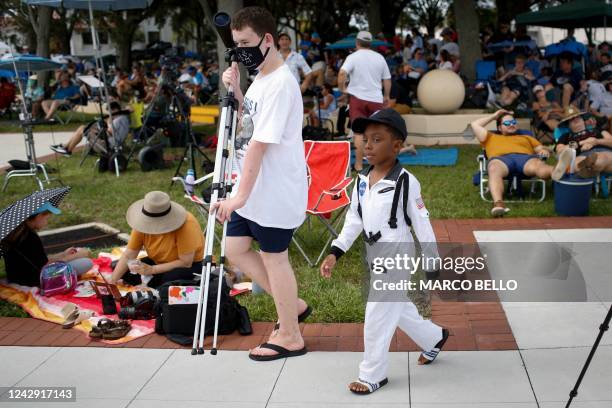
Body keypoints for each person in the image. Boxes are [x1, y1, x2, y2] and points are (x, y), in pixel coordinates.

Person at [320, 109, 448, 395]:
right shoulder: (362, 181)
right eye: (366, 139)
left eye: (377, 140)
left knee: (377, 311)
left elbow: (422, 224)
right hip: (374, 255)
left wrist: (432, 262)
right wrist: (335, 252)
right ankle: (434, 338)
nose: (368, 146)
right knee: (396, 306)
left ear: (397, 146)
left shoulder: (406, 182)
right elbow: (354, 220)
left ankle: (372, 374)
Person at [213, 6, 309, 361]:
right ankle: (292, 306)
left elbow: (257, 146)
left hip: (273, 191)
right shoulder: (261, 79)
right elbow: (250, 121)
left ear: (267, 40)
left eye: (246, 42)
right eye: (236, 43)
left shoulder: (281, 84)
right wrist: (238, 91)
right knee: (235, 250)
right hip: (254, 189)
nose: (239, 50)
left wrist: (238, 196)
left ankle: (290, 335)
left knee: (274, 258)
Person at [470, 109, 561, 217]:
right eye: (507, 123)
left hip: (525, 159)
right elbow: (474, 124)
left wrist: (543, 151)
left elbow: (540, 148)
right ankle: (498, 204)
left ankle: (557, 171)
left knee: (538, 165)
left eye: (513, 122)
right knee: (493, 168)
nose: (511, 125)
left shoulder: (527, 137)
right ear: (499, 127)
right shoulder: (490, 137)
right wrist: (494, 116)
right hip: (501, 160)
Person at [109, 191, 204, 289]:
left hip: (190, 265)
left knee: (169, 280)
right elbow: (129, 255)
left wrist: (152, 270)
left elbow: (186, 262)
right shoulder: (141, 223)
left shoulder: (186, 224)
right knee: (118, 267)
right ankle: (155, 284)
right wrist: (112, 281)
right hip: (157, 261)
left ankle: (158, 286)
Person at [1, 202, 93, 287]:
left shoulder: (16, 234)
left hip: (15, 278)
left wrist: (63, 254)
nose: (47, 222)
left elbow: (38, 260)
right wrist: (76, 256)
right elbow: (45, 266)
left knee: (79, 259)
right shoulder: (30, 238)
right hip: (37, 279)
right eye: (47, 218)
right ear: (39, 216)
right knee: (86, 262)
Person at [338, 31, 391, 171]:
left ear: (357, 42)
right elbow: (387, 79)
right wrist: (387, 96)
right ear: (370, 43)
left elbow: (342, 73)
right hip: (375, 99)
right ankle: (378, 164)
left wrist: (342, 88)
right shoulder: (379, 57)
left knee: (359, 133)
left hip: (357, 99)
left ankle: (359, 164)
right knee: (378, 133)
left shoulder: (352, 57)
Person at [552, 106, 612, 180]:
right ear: (568, 125)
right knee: (577, 161)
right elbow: (560, 150)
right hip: (582, 156)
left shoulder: (597, 130)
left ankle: (581, 169)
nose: (575, 119)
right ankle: (584, 167)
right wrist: (581, 143)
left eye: (578, 117)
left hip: (604, 151)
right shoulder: (566, 136)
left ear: (583, 120)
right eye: (571, 119)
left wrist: (596, 141)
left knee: (601, 157)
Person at [50, 101, 130, 156]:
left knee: (83, 129)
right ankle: (66, 147)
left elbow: (108, 133)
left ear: (115, 110)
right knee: (85, 127)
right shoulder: (124, 118)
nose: (109, 114)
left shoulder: (118, 120)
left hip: (107, 146)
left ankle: (67, 149)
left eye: (110, 111)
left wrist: (108, 123)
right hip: (112, 143)